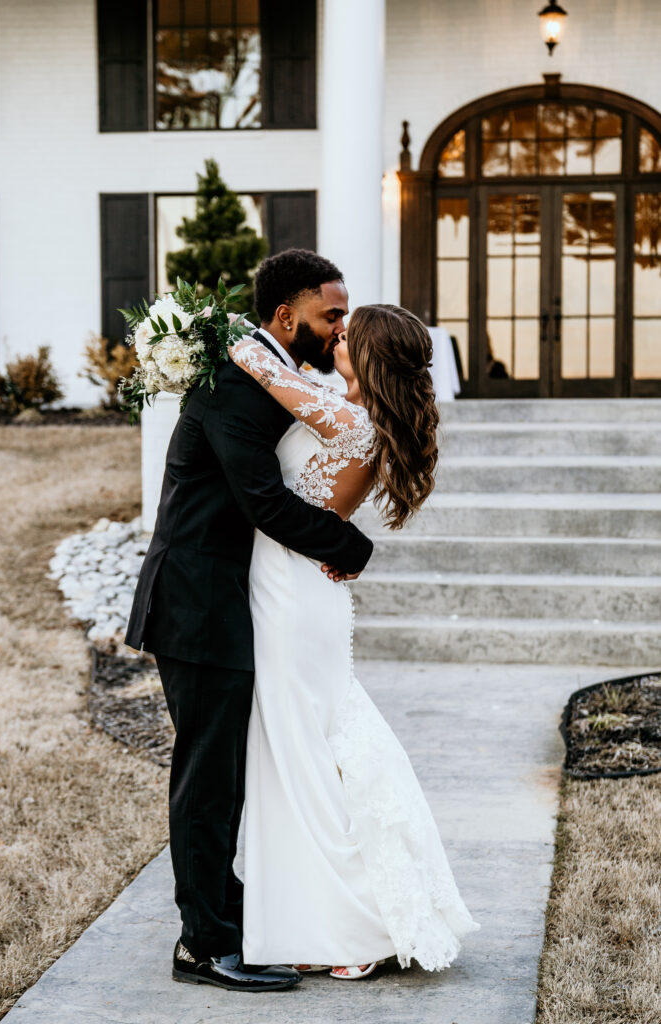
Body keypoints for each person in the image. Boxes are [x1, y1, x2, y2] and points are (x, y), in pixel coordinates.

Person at [124, 249, 375, 992]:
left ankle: (236, 923)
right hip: (199, 602)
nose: (339, 330)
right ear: (283, 315)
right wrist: (350, 547)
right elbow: (261, 500)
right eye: (330, 315)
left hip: (229, 599)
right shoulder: (239, 379)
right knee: (208, 780)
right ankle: (203, 946)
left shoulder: (265, 369)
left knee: (227, 774)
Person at [229, 301, 481, 979]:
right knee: (309, 746)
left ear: (369, 355)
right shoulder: (346, 409)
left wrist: (199, 327)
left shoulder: (344, 417)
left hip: (292, 591)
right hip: (304, 584)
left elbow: (250, 358)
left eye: (347, 333)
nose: (335, 335)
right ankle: (326, 913)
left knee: (298, 753)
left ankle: (352, 926)